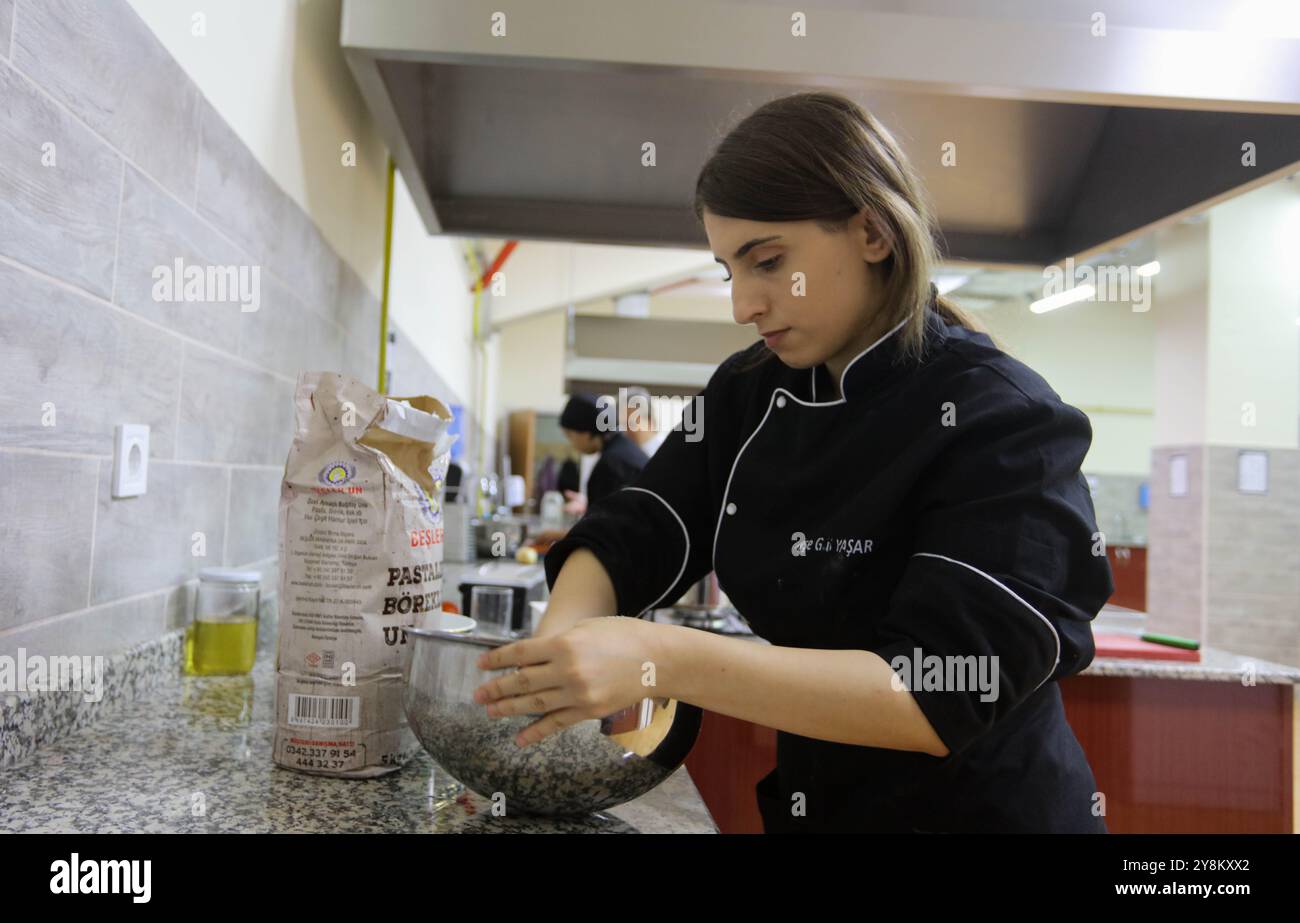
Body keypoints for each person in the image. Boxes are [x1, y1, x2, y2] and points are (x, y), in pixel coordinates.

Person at [472, 92, 1113, 833]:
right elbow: (646, 522)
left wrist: (661, 656)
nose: (744, 303)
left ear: (872, 231)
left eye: (769, 261)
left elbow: (935, 690)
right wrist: (563, 640)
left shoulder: (1005, 420)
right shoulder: (750, 391)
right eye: (728, 271)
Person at [557, 393, 648, 511]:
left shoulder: (610, 465)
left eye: (570, 436)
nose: (571, 444)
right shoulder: (627, 450)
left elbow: (604, 523)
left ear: (586, 433)